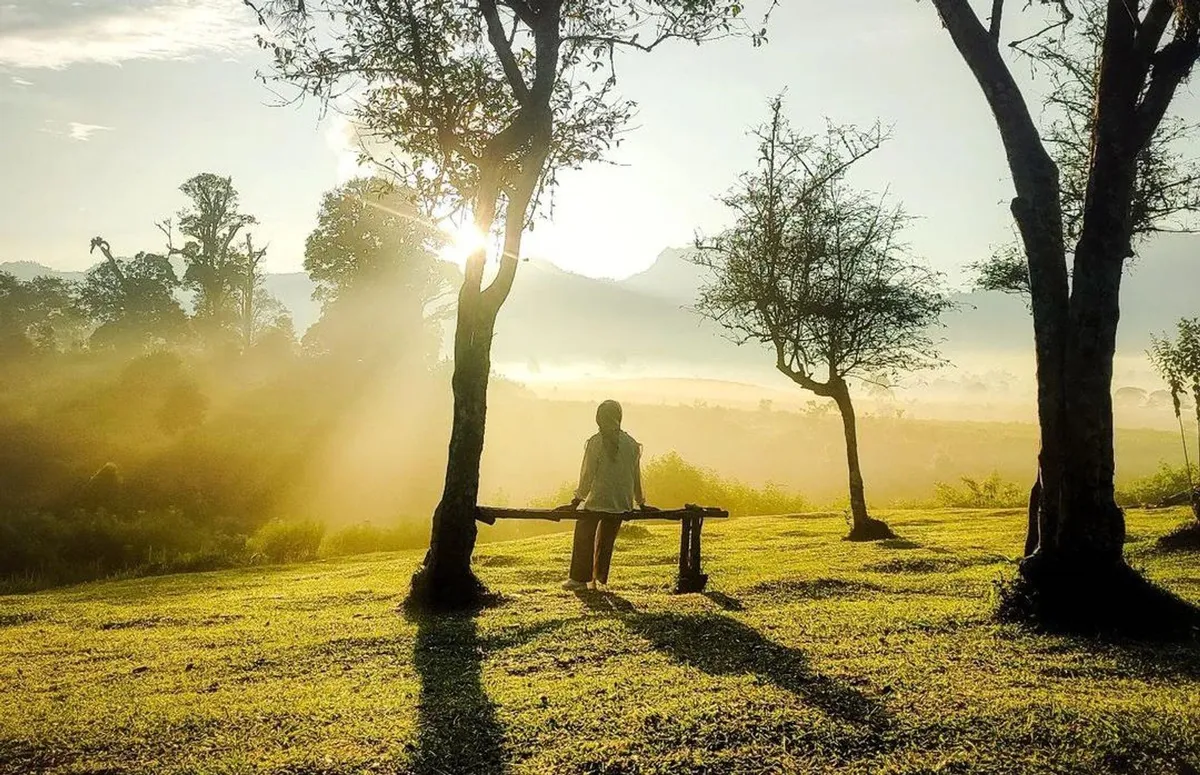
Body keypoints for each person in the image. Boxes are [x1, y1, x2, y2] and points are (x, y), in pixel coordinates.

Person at [559, 399, 656, 592]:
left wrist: (577, 500)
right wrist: (640, 502)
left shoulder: (595, 442)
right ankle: (599, 579)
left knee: (584, 532)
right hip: (622, 502)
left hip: (598, 501)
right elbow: (636, 476)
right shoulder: (632, 444)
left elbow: (587, 475)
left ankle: (579, 579)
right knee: (606, 539)